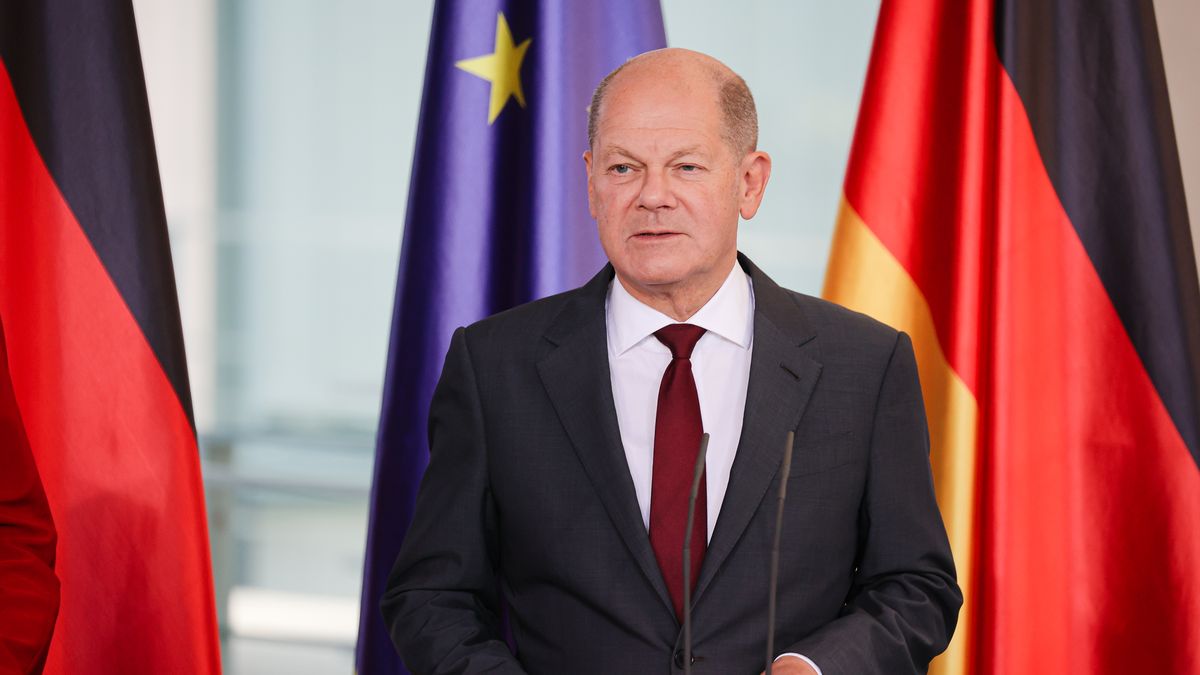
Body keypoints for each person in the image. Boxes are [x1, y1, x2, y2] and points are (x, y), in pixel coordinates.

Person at [382, 48, 960, 674]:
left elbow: (915, 586)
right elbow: (431, 598)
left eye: (686, 167)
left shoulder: (864, 365)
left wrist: (818, 668)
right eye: (624, 167)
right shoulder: (494, 365)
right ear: (592, 183)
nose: (652, 196)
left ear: (749, 182)